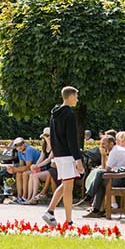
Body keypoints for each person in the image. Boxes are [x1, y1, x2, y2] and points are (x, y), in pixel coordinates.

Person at [42, 86, 83, 228]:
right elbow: (72, 139)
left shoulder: (54, 114)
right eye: (76, 97)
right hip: (67, 155)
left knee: (66, 184)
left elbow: (53, 136)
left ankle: (50, 211)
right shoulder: (69, 114)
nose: (77, 100)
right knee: (68, 188)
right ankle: (69, 221)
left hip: (59, 154)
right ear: (71, 96)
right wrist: (78, 160)